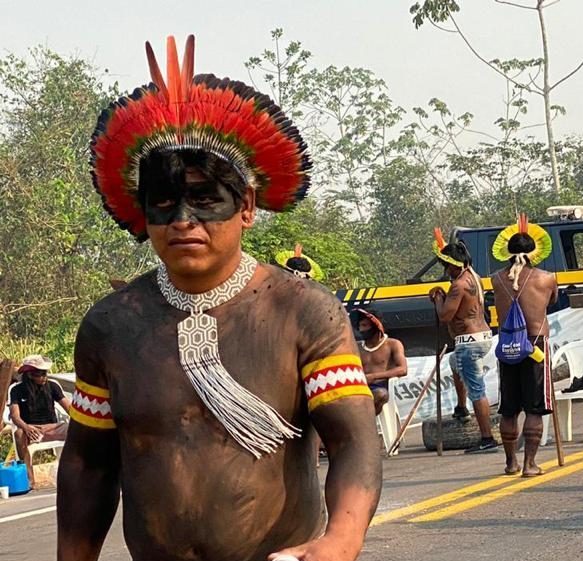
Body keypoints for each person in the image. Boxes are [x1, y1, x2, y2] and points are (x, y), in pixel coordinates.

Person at [58, 36, 381, 561]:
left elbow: (353, 442)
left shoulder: (304, 311)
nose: (184, 221)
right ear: (143, 214)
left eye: (206, 200)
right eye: (164, 203)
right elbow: (88, 463)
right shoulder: (111, 327)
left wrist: (341, 541)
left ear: (247, 206)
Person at [491, 215, 557, 477]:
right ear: (534, 252)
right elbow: (550, 302)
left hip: (507, 346)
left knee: (509, 406)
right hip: (535, 344)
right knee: (534, 406)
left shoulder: (496, 278)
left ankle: (510, 463)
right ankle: (530, 464)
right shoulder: (547, 277)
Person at [428, 229, 498, 454]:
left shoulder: (458, 285)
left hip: (469, 341)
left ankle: (487, 438)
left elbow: (445, 315)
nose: (445, 271)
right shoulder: (473, 277)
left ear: (455, 265)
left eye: (447, 267)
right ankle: (461, 407)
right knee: (452, 364)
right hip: (481, 336)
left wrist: (439, 299)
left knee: (477, 389)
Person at [9, 355, 71, 489]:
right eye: (40, 374)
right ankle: (29, 480)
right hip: (31, 429)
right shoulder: (17, 390)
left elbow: (69, 408)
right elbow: (15, 416)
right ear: (30, 375)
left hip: (53, 427)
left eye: (45, 373)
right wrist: (26, 427)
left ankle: (77, 473)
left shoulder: (53, 386)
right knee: (19, 434)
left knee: (77, 429)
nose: (44, 376)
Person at [355, 308, 407, 415]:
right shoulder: (356, 347)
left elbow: (403, 369)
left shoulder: (393, 344)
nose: (361, 330)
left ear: (375, 326)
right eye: (360, 326)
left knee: (381, 394)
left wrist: (373, 376)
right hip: (358, 387)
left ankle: (363, 422)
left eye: (365, 326)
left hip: (379, 387)